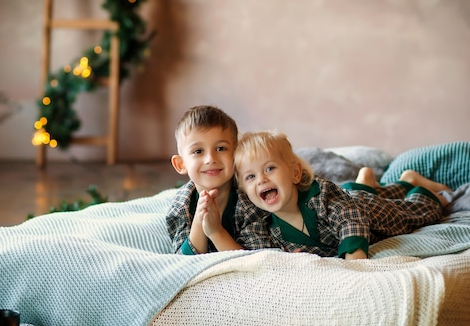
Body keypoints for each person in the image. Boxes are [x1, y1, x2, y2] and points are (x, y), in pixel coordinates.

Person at [234, 130, 451, 260]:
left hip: (367, 211)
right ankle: (381, 181)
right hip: (349, 194)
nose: (261, 179)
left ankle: (418, 187)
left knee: (422, 210)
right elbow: (262, 254)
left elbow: (349, 217)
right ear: (244, 192)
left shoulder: (319, 194)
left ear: (295, 172)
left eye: (269, 168)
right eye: (250, 177)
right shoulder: (264, 228)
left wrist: (354, 261)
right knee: (357, 194)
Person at [166, 105, 256, 254]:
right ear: (181, 164)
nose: (210, 159)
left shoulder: (249, 198)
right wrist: (199, 220)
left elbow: (255, 260)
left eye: (221, 148)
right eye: (198, 151)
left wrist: (215, 231)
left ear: (237, 154)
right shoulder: (182, 205)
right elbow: (182, 261)